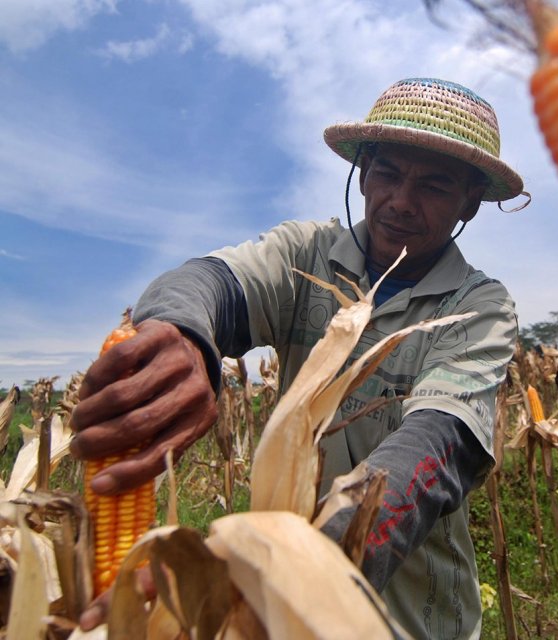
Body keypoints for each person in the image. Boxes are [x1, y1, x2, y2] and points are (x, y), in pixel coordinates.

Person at [70, 77, 526, 639]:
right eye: (387, 174)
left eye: (433, 186)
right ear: (362, 173)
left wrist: (284, 577)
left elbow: (435, 447)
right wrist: (184, 333)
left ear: (470, 205)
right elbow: (208, 281)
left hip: (413, 619)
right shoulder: (305, 253)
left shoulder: (479, 306)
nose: (401, 202)